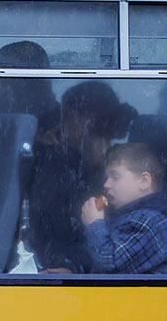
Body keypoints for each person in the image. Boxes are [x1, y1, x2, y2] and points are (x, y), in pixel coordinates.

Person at [31, 81, 138, 273]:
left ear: (87, 121)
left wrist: (73, 267)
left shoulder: (115, 180)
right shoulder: (68, 163)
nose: (59, 126)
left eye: (66, 118)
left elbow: (108, 240)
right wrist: (41, 153)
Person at [81, 143, 167, 274]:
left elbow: (110, 267)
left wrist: (94, 224)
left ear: (144, 181)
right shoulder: (131, 217)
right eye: (107, 178)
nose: (106, 184)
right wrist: (72, 271)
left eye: (115, 176)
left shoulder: (149, 222)